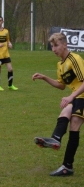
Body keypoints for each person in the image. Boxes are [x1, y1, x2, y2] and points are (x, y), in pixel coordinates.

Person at [32, 32, 84, 176]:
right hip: (77, 97)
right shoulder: (60, 64)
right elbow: (61, 85)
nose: (54, 49)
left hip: (82, 96)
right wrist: (44, 77)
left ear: (65, 44)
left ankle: (67, 166)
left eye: (56, 45)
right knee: (65, 113)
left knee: (74, 124)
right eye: (52, 46)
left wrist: (71, 96)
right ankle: (56, 139)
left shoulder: (75, 59)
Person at [0, 16, 18, 91]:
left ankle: (10, 85)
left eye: (0, 21)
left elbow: (8, 41)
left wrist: (10, 44)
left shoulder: (6, 31)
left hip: (6, 53)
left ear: (2, 22)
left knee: (10, 69)